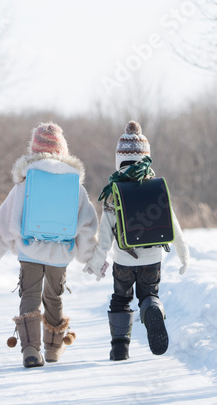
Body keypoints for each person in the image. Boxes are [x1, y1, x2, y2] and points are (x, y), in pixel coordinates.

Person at [0, 122, 99, 368]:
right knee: (54, 296)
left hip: (29, 251)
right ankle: (53, 349)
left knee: (29, 295)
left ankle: (31, 350)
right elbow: (87, 225)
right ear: (63, 151)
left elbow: (4, 222)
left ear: (34, 152)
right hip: (61, 253)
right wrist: (90, 258)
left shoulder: (24, 185)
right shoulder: (75, 187)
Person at [85, 120, 189, 361]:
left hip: (123, 260)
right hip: (152, 259)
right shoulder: (155, 188)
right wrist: (184, 255)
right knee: (149, 294)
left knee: (120, 299)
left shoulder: (113, 193)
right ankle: (152, 308)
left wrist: (95, 263)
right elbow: (174, 226)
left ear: (119, 160)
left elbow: (105, 237)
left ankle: (120, 348)